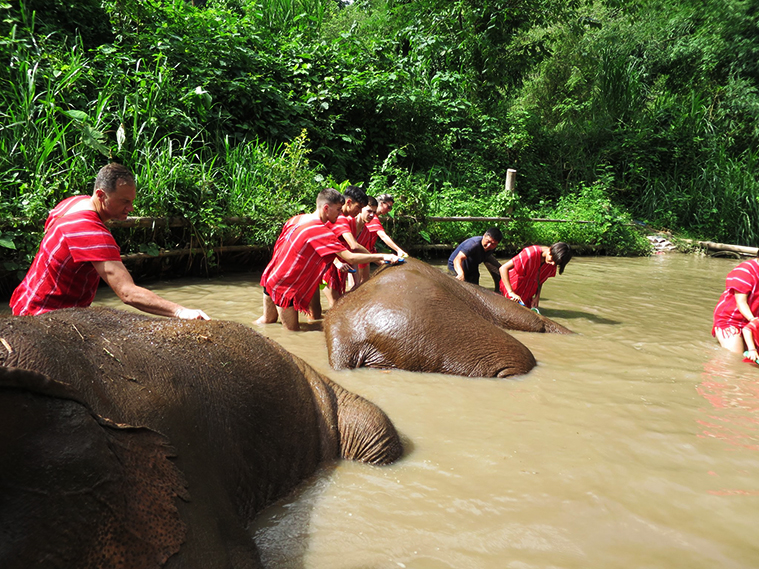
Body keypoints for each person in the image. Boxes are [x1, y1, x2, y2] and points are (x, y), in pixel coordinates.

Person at [10, 163, 209, 320]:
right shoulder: (91, 233)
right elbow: (127, 293)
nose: (130, 208)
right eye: (124, 201)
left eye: (132, 201)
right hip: (45, 315)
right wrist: (180, 311)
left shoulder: (71, 203)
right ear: (101, 195)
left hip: (23, 302)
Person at [256, 188, 401, 331]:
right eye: (338, 210)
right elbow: (350, 256)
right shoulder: (319, 230)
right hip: (286, 287)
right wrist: (383, 256)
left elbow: (280, 245)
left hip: (271, 277)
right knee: (292, 333)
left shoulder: (297, 218)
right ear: (326, 208)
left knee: (266, 322)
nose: (340, 214)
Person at [322, 185, 371, 306]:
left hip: (335, 267)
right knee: (335, 305)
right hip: (326, 267)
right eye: (358, 207)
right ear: (348, 202)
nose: (359, 212)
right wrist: (379, 258)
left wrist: (356, 281)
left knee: (318, 312)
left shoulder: (347, 220)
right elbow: (353, 246)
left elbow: (350, 251)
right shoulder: (341, 219)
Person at [498, 242, 572, 311]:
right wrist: (511, 292)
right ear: (550, 250)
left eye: (556, 263)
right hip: (512, 287)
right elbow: (503, 268)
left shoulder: (553, 263)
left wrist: (537, 297)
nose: (552, 264)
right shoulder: (530, 253)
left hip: (528, 294)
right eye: (552, 260)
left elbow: (541, 281)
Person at [356, 194, 408, 284]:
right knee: (360, 282)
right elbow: (383, 236)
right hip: (359, 253)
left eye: (391, 208)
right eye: (388, 207)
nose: (389, 210)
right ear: (381, 203)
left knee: (363, 281)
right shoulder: (372, 219)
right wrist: (399, 250)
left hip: (366, 252)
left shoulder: (371, 218)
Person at [712, 257, 759, 355]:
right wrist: (753, 320)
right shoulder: (746, 271)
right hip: (731, 319)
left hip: (753, 318)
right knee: (735, 356)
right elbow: (741, 302)